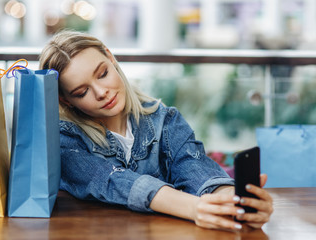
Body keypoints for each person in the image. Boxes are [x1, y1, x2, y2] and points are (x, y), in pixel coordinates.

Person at [39, 30, 273, 231]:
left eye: (103, 74)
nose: (101, 92)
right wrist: (193, 207)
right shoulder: (63, 140)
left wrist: (229, 201)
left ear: (111, 58)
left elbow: (195, 167)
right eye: (81, 92)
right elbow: (112, 179)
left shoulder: (166, 120)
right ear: (66, 100)